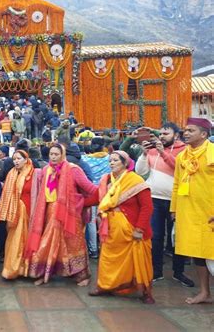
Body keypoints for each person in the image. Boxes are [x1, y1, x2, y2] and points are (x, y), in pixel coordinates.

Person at [86, 150, 155, 304]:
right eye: (110, 160)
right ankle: (105, 286)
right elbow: (95, 198)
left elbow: (147, 207)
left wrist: (139, 229)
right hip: (110, 229)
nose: (111, 163)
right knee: (108, 259)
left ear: (125, 163)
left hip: (132, 230)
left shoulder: (135, 180)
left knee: (138, 260)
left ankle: (145, 291)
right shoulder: (106, 180)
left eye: (116, 160)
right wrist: (75, 204)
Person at [26, 144, 97, 286]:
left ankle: (82, 276)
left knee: (73, 244)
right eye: (51, 154)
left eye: (56, 154)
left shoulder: (73, 170)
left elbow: (90, 188)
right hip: (50, 212)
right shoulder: (46, 170)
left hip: (70, 213)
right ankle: (44, 273)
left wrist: (84, 202)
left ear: (62, 155)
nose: (53, 157)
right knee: (47, 242)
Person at [135, 122, 194, 287]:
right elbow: (140, 172)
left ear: (175, 135)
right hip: (154, 199)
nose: (162, 136)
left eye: (166, 133)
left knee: (177, 238)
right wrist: (144, 154)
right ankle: (156, 271)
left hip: (178, 200)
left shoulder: (184, 150)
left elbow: (180, 169)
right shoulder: (153, 150)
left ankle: (178, 272)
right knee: (156, 236)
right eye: (160, 133)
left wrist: (163, 153)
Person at [170, 118, 214, 304]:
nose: (185, 133)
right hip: (189, 211)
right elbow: (177, 183)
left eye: (191, 130)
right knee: (197, 253)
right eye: (185, 130)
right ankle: (205, 292)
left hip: (210, 212)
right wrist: (174, 209)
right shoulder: (182, 157)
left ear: (204, 134)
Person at [0, 150, 40, 279]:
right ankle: (13, 268)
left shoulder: (35, 174)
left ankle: (27, 269)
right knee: (14, 240)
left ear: (26, 159)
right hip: (14, 213)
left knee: (28, 241)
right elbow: (5, 195)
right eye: (14, 159)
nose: (16, 161)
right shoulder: (11, 174)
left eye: (19, 158)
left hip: (30, 212)